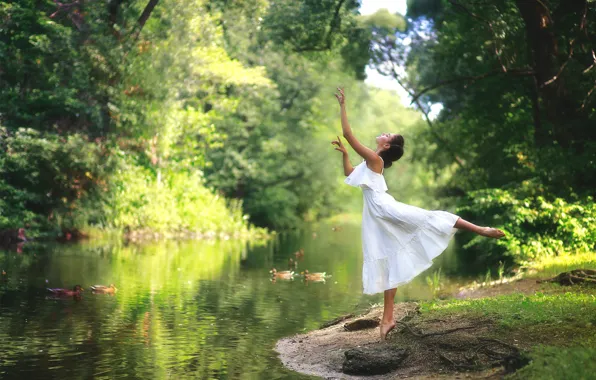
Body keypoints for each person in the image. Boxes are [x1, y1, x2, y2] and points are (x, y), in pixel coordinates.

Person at [332, 87, 505, 340]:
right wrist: (346, 155)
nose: (383, 133)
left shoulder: (375, 160)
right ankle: (387, 319)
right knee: (389, 258)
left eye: (387, 134)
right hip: (376, 216)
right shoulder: (369, 162)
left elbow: (348, 133)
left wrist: (343, 105)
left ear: (386, 144)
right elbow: (349, 173)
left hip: (384, 209)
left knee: (433, 217)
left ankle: (481, 230)